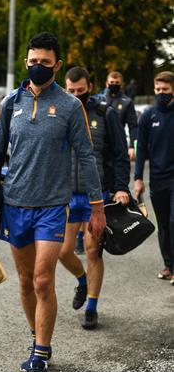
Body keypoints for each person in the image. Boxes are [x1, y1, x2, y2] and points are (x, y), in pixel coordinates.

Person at [0, 32, 105, 372]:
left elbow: (86, 155)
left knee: (41, 279)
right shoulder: (10, 104)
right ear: (26, 61)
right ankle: (38, 336)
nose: (38, 67)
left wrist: (97, 206)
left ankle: (39, 356)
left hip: (53, 206)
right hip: (15, 203)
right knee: (23, 281)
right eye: (32, 61)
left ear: (57, 64)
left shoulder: (70, 106)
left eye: (45, 62)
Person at [60, 67, 130, 329]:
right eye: (71, 91)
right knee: (63, 252)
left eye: (81, 90)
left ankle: (92, 306)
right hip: (66, 195)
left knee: (92, 250)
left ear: (90, 86)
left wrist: (121, 187)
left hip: (95, 196)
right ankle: (82, 281)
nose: (77, 95)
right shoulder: (61, 112)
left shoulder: (105, 113)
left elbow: (120, 155)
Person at [134, 70, 174, 285]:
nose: (161, 93)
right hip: (157, 178)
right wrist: (138, 178)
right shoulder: (149, 115)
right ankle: (168, 265)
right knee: (164, 226)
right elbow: (141, 151)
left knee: (173, 221)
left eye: (165, 90)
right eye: (158, 89)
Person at [102, 71, 138, 162]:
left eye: (117, 83)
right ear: (107, 84)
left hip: (119, 143)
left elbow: (133, 126)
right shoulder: (99, 100)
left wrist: (132, 146)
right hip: (101, 144)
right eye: (112, 82)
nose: (114, 84)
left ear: (122, 84)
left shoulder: (127, 102)